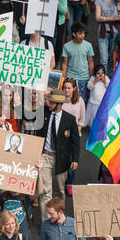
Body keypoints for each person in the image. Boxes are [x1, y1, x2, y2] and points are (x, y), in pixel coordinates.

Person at [36, 89, 80, 220]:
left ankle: (60, 219)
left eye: (51, 102)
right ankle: (46, 222)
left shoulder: (69, 119)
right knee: (45, 192)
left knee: (60, 191)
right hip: (44, 156)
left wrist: (75, 159)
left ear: (59, 104)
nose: (47, 103)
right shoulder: (42, 112)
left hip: (61, 159)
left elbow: (75, 141)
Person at [61, 21, 94, 105]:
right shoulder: (67, 46)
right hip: (71, 78)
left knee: (83, 102)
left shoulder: (88, 45)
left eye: (83, 33)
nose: (82, 36)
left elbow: (90, 63)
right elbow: (64, 64)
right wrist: (63, 78)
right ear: (74, 34)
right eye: (80, 33)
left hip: (85, 78)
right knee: (69, 101)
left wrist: (91, 78)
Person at [94, 0, 120, 75]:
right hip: (102, 30)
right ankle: (104, 77)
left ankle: (112, 76)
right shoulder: (98, 0)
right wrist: (112, 18)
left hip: (115, 30)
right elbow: (97, 17)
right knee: (103, 58)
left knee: (113, 56)